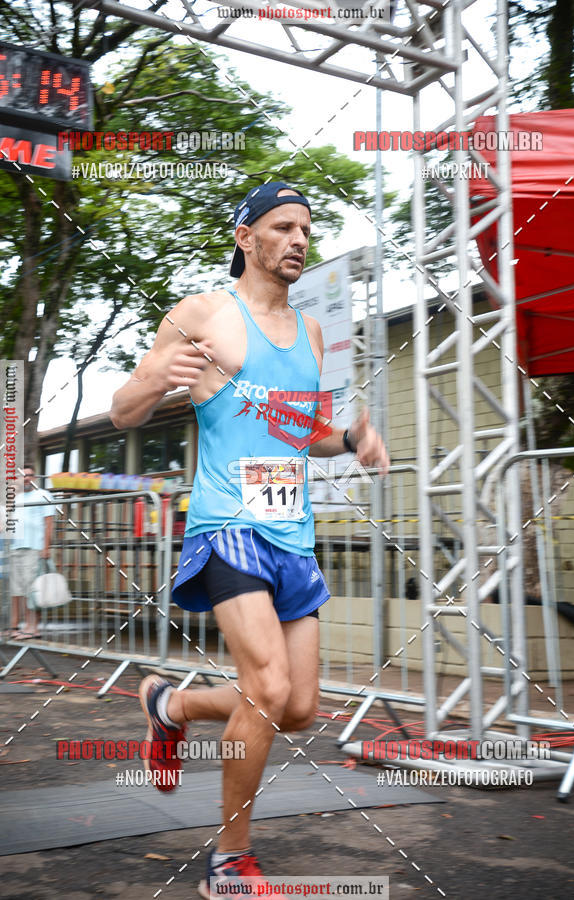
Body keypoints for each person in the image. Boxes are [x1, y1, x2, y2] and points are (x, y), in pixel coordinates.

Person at [110, 181, 389, 897]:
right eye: (282, 227)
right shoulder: (204, 313)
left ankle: (168, 707)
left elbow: (308, 434)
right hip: (227, 525)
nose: (298, 240)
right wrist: (157, 386)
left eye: (305, 229)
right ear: (245, 238)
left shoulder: (311, 333)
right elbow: (122, 410)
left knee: (296, 707)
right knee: (265, 685)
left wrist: (351, 437)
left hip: (291, 534)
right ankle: (229, 862)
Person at [8, 463, 55, 639]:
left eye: (29, 475)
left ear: (35, 478)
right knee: (16, 590)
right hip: (14, 548)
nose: (26, 478)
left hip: (34, 548)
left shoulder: (43, 495)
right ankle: (14, 627)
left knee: (30, 590)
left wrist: (46, 547)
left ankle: (32, 628)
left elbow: (49, 523)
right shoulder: (15, 498)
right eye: (22, 475)